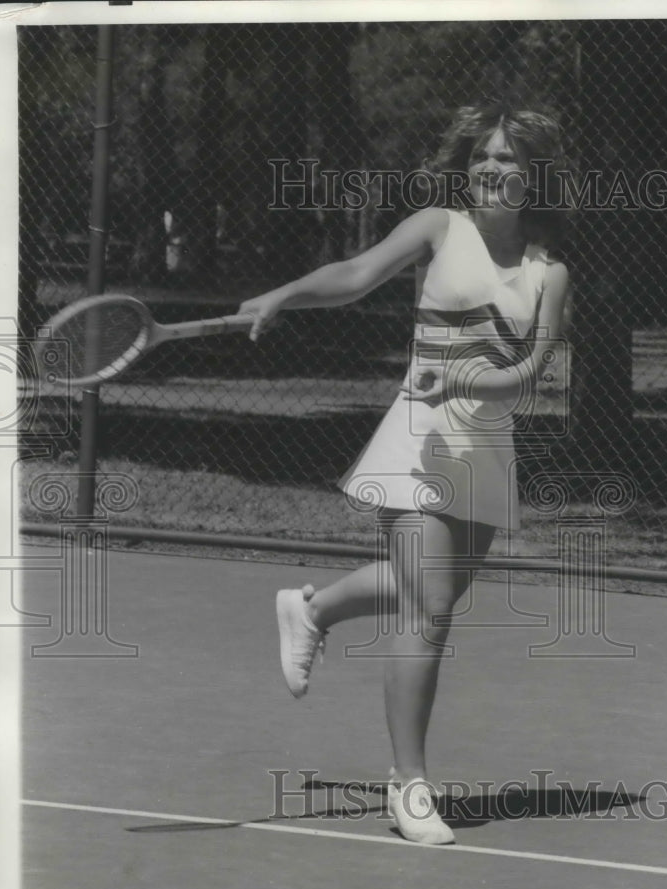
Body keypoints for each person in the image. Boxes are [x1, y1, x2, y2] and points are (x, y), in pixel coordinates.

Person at [237, 104, 570, 845]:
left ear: (534, 177)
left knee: (435, 587)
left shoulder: (551, 272)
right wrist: (286, 292)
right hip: (418, 438)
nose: (492, 168)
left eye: (510, 159)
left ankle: (312, 608)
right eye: (484, 155)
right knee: (430, 607)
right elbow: (355, 275)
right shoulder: (437, 227)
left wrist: (462, 383)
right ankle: (410, 785)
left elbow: (524, 379)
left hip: (485, 445)